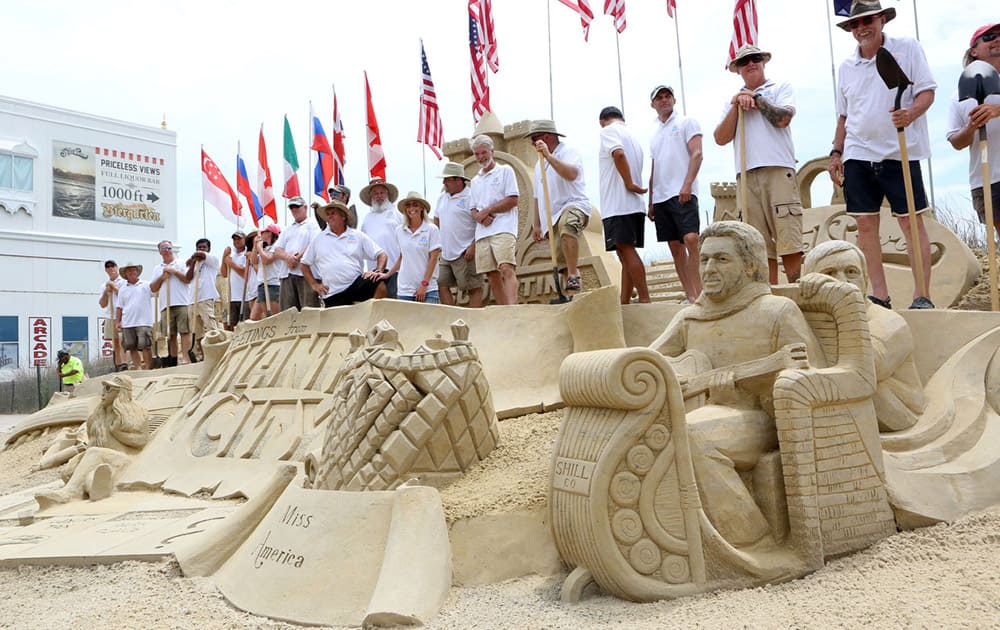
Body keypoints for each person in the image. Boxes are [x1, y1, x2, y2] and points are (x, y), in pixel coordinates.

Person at [650, 221, 821, 547]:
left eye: (722, 259)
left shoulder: (776, 311)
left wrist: (759, 388)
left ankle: (752, 540)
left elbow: (814, 378)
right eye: (704, 260)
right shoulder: (691, 316)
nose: (708, 268)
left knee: (693, 434)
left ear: (751, 265)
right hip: (705, 410)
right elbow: (648, 363)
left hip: (765, 421)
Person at [828, 0, 936, 310]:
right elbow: (844, 116)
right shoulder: (846, 68)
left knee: (910, 223)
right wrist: (836, 151)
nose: (861, 28)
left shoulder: (908, 48)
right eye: (854, 24)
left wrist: (910, 113)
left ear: (882, 20)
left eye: (867, 20)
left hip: (899, 150)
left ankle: (922, 296)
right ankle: (880, 296)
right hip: (858, 152)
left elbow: (927, 91)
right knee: (864, 223)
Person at [801, 240, 924, 431]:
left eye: (851, 272)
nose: (841, 282)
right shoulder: (806, 317)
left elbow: (862, 372)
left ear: (865, 279)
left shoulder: (890, 322)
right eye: (828, 274)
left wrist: (841, 302)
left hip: (895, 413)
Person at [714, 45, 804, 285]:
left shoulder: (779, 88)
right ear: (738, 70)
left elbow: (783, 119)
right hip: (746, 174)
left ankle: (796, 290)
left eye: (755, 59)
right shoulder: (732, 102)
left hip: (777, 168)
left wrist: (757, 99)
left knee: (788, 236)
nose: (750, 63)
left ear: (763, 62)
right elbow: (721, 138)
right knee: (757, 241)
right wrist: (736, 104)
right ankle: (768, 295)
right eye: (744, 62)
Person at [35, 374, 149, 506]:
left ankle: (68, 493)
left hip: (122, 458)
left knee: (95, 452)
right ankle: (95, 490)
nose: (103, 393)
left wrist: (118, 433)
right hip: (101, 461)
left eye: (108, 389)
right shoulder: (97, 415)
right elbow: (91, 442)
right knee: (76, 473)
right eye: (103, 388)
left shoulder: (136, 411)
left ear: (121, 393)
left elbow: (142, 440)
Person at [649, 86, 704, 301]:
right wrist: (651, 201)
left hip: (683, 191)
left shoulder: (686, 122)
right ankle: (690, 294)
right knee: (675, 246)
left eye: (667, 96)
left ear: (674, 99)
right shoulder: (654, 132)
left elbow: (697, 153)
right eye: (659, 98)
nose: (664, 100)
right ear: (653, 104)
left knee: (691, 238)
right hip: (661, 196)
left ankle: (701, 291)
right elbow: (655, 167)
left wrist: (687, 184)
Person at [947, 23, 1000, 242]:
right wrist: (970, 127)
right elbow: (956, 141)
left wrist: (997, 109)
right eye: (989, 37)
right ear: (974, 51)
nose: (997, 39)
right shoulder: (959, 95)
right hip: (987, 177)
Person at [528, 119, 592, 293]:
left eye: (534, 139)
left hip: (573, 204)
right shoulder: (537, 165)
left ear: (546, 136)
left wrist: (549, 156)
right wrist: (538, 224)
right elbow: (537, 196)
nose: (532, 143)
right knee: (561, 260)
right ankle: (573, 291)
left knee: (567, 226)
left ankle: (572, 274)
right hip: (551, 215)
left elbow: (571, 174)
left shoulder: (568, 152)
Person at [597, 107, 650, 304]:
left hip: (618, 203)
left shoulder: (608, 131)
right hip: (633, 203)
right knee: (624, 254)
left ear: (603, 121)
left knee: (626, 250)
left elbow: (618, 155)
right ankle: (624, 301)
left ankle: (645, 298)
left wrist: (628, 182)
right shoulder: (633, 138)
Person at [302, 200, 389, 307]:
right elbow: (304, 264)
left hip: (355, 286)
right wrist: (314, 285)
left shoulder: (357, 235)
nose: (329, 216)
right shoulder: (318, 239)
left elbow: (382, 254)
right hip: (332, 293)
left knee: (379, 283)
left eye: (333, 213)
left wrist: (378, 271)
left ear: (343, 217)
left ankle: (375, 318)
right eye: (328, 214)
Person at [470, 135, 520, 305]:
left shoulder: (505, 170)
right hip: (483, 233)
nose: (480, 157)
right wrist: (480, 217)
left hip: (504, 228)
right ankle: (502, 310)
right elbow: (473, 208)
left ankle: (512, 309)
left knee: (506, 267)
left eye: (483, 152)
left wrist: (489, 210)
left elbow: (513, 199)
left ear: (492, 151)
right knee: (491, 274)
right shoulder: (475, 181)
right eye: (477, 154)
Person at [434, 162, 484, 307]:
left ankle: (474, 320)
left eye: (447, 179)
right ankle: (452, 316)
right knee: (441, 283)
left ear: (458, 180)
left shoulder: (471, 196)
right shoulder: (442, 197)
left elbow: (480, 223)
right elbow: (436, 219)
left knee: (473, 287)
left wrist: (473, 246)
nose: (444, 183)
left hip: (465, 251)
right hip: (445, 252)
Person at [388, 191, 442, 303]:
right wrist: (387, 274)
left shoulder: (432, 229)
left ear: (422, 208)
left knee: (429, 321)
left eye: (415, 205)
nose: (411, 208)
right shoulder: (399, 230)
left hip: (428, 289)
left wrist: (424, 285)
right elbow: (402, 256)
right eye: (408, 205)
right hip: (405, 290)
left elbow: (433, 258)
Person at [150, 240, 193, 366]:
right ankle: (173, 359)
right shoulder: (157, 268)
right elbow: (153, 288)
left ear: (172, 249)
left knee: (185, 331)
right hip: (165, 305)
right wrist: (162, 278)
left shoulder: (181, 263)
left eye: (168, 248)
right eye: (163, 249)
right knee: (170, 334)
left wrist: (174, 271)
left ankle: (185, 357)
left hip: (181, 302)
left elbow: (187, 279)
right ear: (160, 252)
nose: (166, 251)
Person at [273, 196, 321, 311]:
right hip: (287, 274)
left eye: (297, 207)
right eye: (292, 207)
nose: (294, 210)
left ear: (305, 207)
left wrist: (296, 258)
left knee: (309, 311)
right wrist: (288, 258)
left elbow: (314, 243)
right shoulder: (287, 229)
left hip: (307, 274)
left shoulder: (313, 225)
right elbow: (277, 249)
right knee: (287, 312)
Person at [359, 177, 403, 299]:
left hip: (395, 269)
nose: (379, 196)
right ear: (371, 197)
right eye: (375, 193)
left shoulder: (397, 213)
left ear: (387, 194)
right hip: (374, 271)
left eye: (381, 193)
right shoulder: (366, 219)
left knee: (395, 303)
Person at [185, 238, 222, 362]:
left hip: (206, 297)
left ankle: (217, 352)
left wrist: (194, 257)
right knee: (197, 332)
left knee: (211, 327)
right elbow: (188, 277)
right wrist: (193, 264)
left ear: (208, 249)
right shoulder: (195, 264)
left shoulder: (212, 260)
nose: (201, 249)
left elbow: (200, 255)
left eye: (203, 247)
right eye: (199, 247)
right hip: (192, 300)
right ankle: (204, 355)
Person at [115, 262, 154, 371]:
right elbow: (119, 306)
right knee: (131, 347)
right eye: (129, 270)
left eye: (134, 270)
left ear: (137, 272)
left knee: (146, 346)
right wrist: (118, 321)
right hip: (128, 321)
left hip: (144, 321)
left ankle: (147, 367)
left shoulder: (146, 284)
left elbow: (156, 291)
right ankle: (138, 367)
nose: (132, 272)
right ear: (125, 273)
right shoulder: (123, 288)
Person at [248, 224, 284, 320]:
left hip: (273, 284)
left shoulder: (277, 247)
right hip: (262, 284)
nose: (262, 234)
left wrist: (259, 248)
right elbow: (254, 261)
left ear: (271, 234)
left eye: (264, 232)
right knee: (262, 316)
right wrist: (255, 247)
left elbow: (267, 260)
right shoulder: (265, 248)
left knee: (274, 315)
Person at [98, 259, 128, 371]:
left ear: (117, 267)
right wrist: (106, 291)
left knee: (122, 341)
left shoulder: (124, 282)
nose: (111, 268)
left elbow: (124, 297)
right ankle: (118, 364)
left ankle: (124, 363)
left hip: (123, 315)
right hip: (110, 315)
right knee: (114, 342)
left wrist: (114, 287)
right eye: (108, 267)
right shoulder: (103, 286)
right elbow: (102, 304)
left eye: (113, 266)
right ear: (106, 270)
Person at [221, 230, 254, 330]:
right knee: (230, 324)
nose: (236, 241)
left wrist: (231, 263)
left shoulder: (247, 254)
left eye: (239, 239)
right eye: (234, 239)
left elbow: (245, 273)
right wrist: (224, 257)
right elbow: (224, 273)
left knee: (245, 324)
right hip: (233, 297)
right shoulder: (232, 255)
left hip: (245, 296)